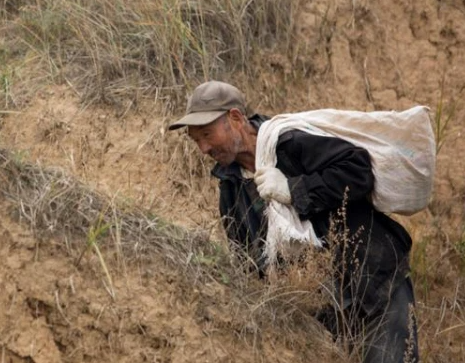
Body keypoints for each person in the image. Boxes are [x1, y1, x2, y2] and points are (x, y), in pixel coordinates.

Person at [168, 80, 419, 363]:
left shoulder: (289, 141)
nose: (203, 148)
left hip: (374, 285)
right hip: (324, 313)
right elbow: (246, 261)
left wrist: (294, 189)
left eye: (206, 134)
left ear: (235, 118)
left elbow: (358, 170)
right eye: (195, 139)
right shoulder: (230, 187)